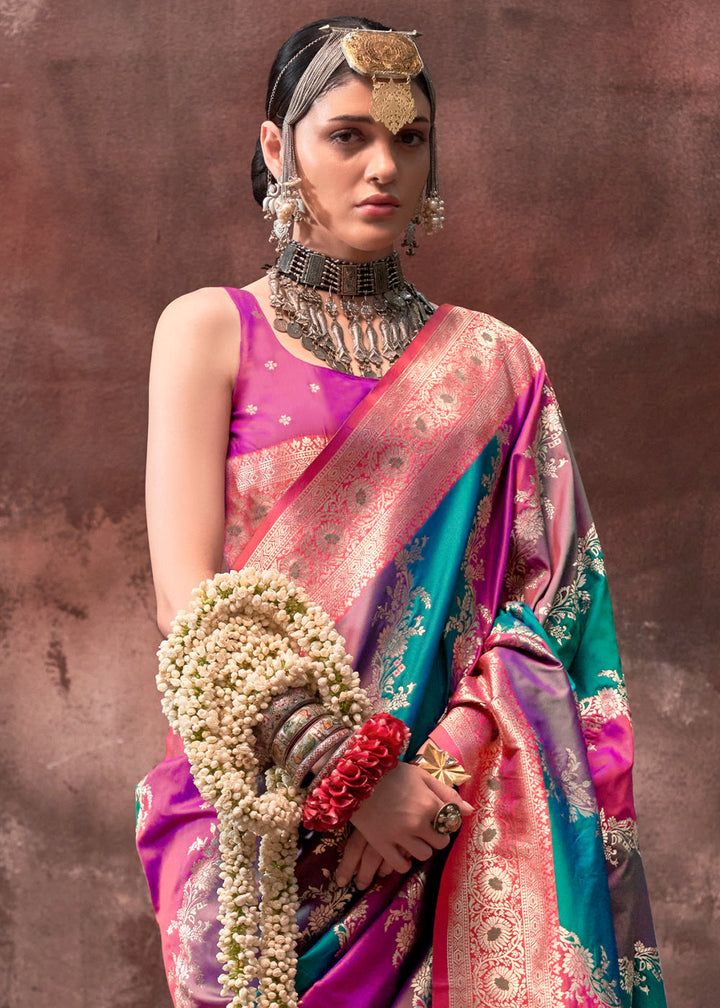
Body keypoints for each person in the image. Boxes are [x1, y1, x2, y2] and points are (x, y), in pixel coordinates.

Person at [137, 16, 667, 1008]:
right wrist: (353, 778)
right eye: (349, 135)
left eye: (410, 139)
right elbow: (188, 604)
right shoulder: (210, 330)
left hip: (450, 819)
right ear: (274, 147)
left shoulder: (496, 365)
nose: (385, 166)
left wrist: (431, 783)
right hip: (255, 824)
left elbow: (546, 613)